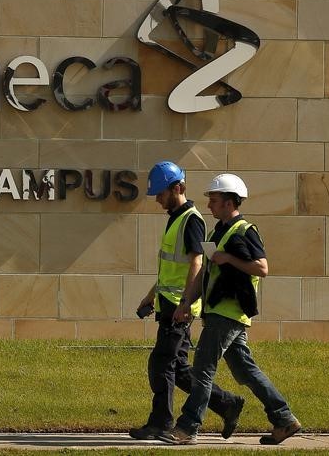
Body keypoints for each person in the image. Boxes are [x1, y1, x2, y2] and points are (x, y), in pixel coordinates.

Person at [162, 173, 301, 445]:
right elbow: (206, 273)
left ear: (228, 202)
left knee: (203, 369)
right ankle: (283, 419)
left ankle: (188, 428)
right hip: (222, 313)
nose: (210, 205)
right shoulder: (217, 232)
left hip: (228, 313)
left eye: (214, 200)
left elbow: (262, 268)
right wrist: (187, 302)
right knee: (246, 371)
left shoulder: (245, 230)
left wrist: (228, 258)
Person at [129, 162, 245, 441]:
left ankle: (161, 423)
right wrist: (149, 297)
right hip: (168, 302)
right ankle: (226, 403)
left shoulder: (191, 219)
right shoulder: (176, 217)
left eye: (160, 193)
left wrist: (185, 303)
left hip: (178, 306)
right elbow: (172, 267)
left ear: (177, 188)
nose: (157, 199)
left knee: (161, 363)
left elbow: (196, 262)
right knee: (178, 368)